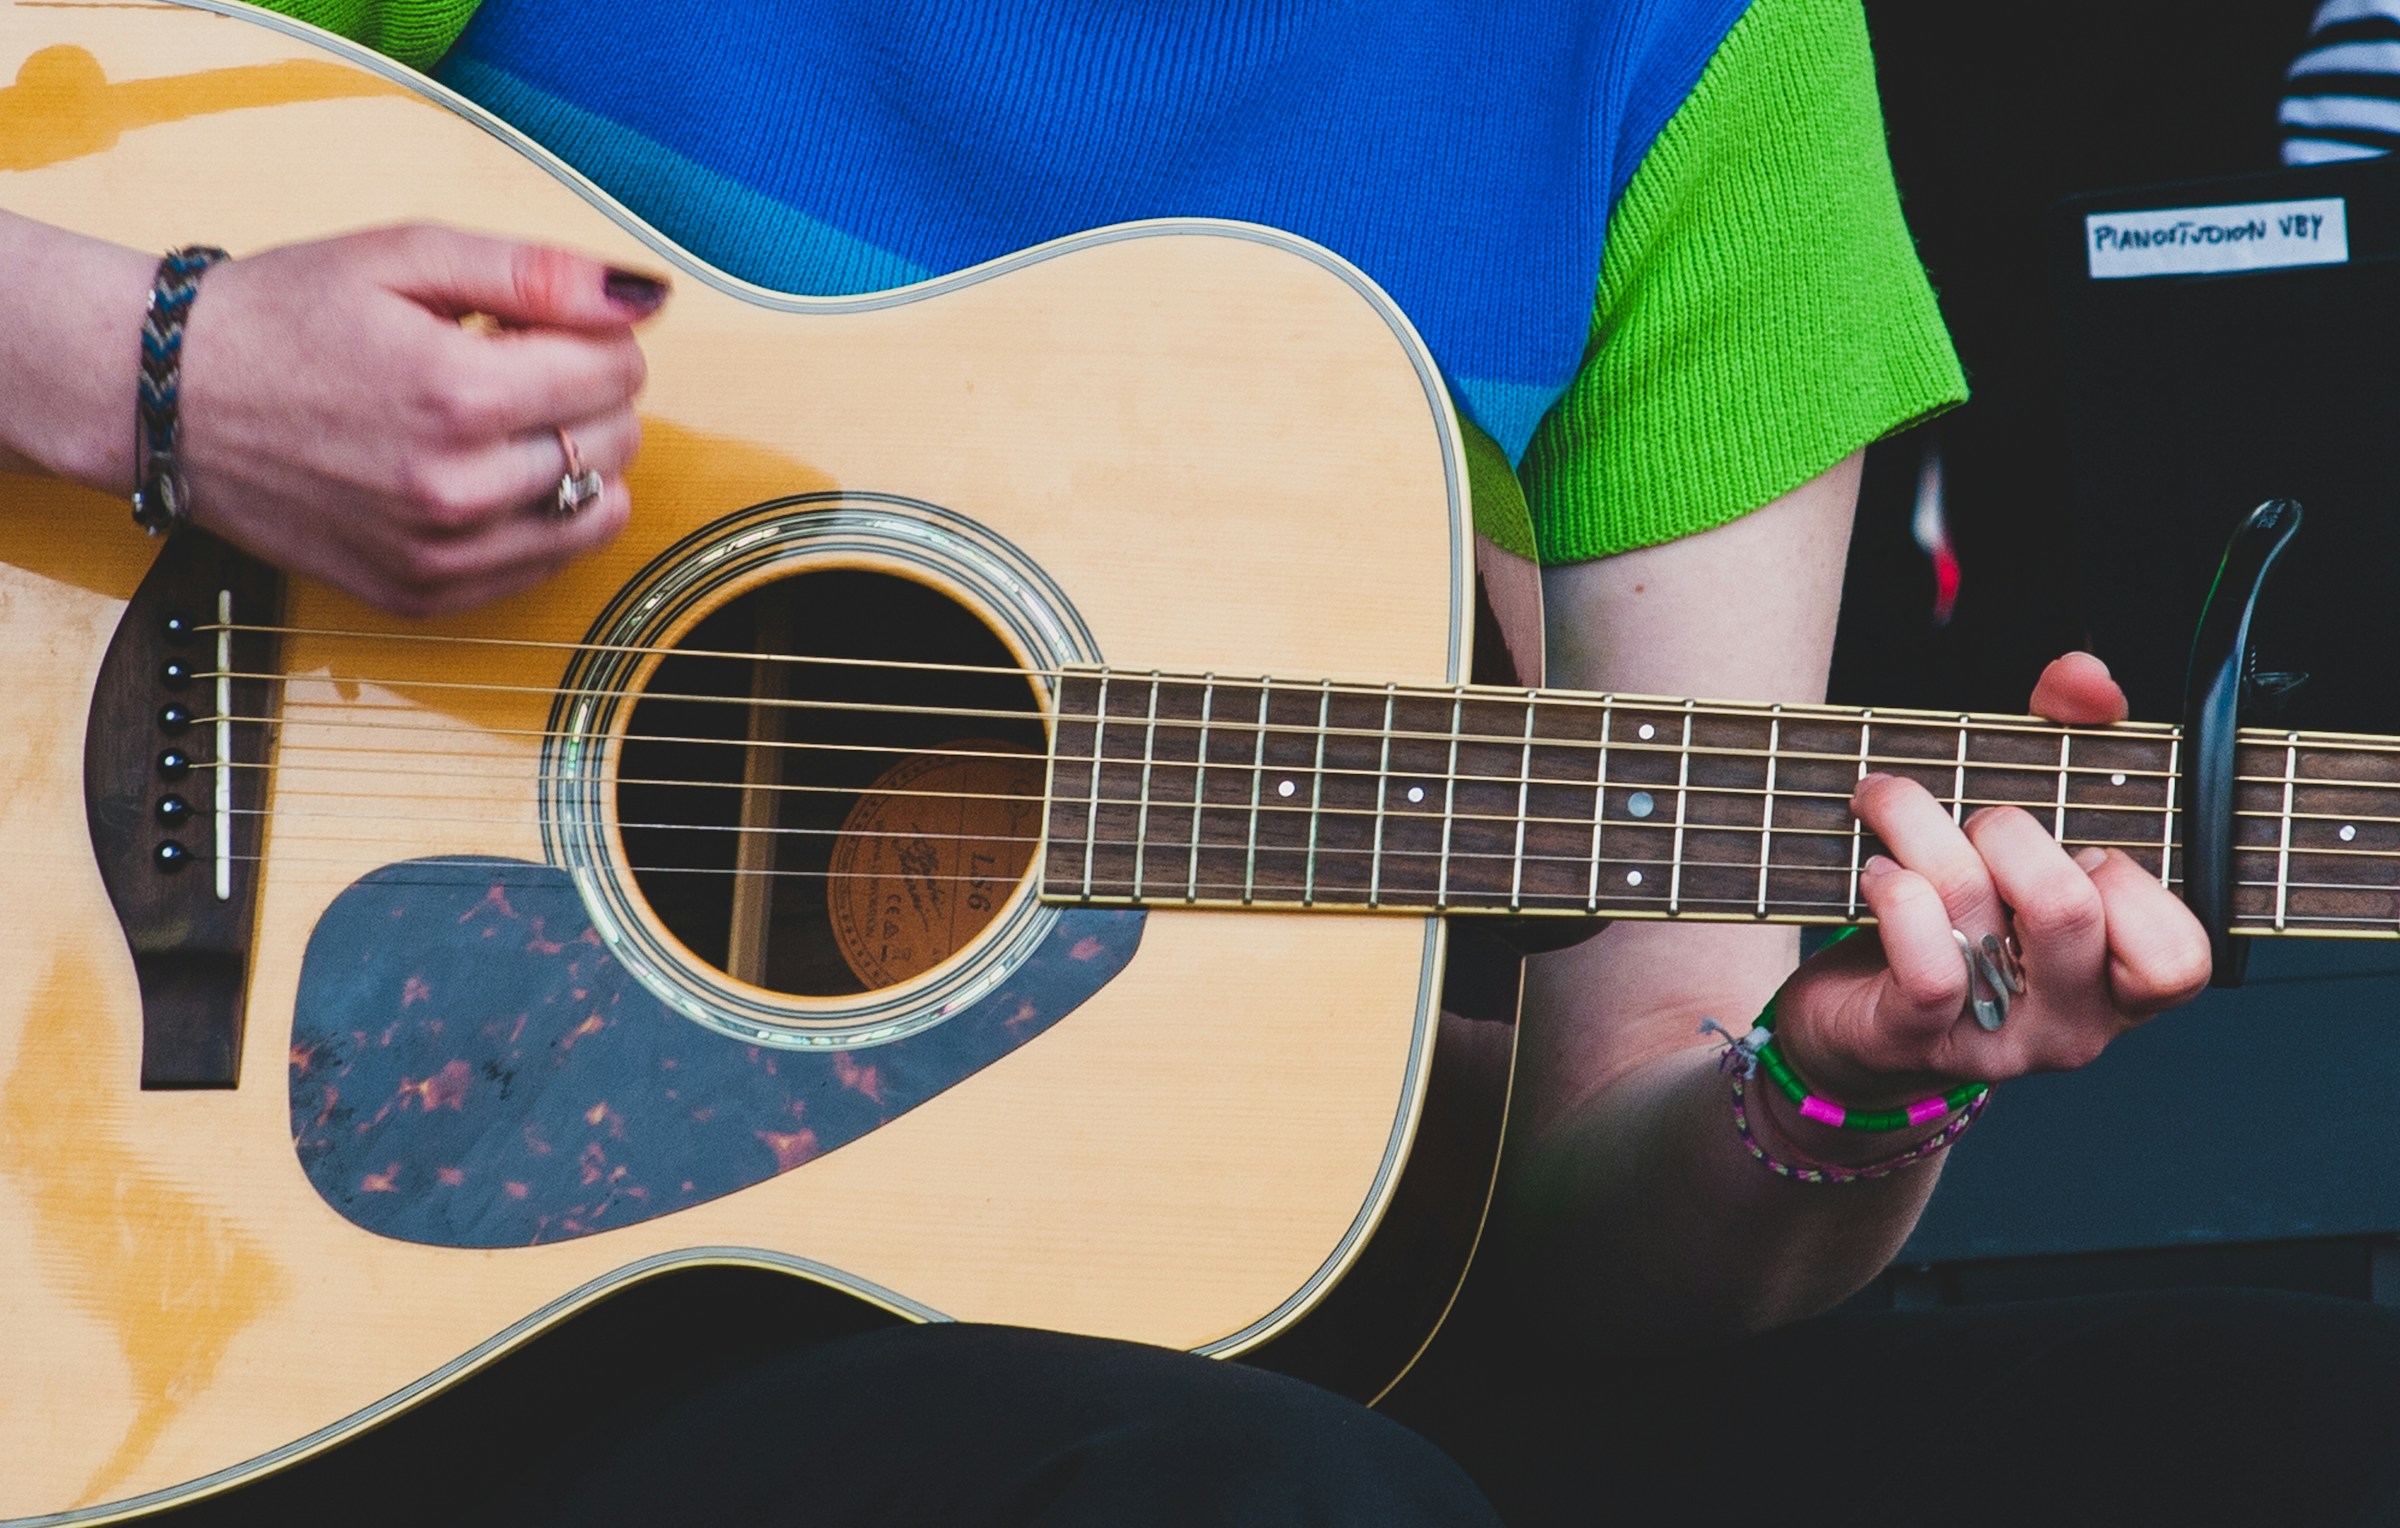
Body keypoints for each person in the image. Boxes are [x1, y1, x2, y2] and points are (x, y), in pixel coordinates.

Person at [8, 1, 2396, 1523]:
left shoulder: (1708, 50)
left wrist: (1853, 1077)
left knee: (2313, 1433)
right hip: (372, 1267)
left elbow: (1605, 1174)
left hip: (1128, 1314)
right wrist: (163, 366)